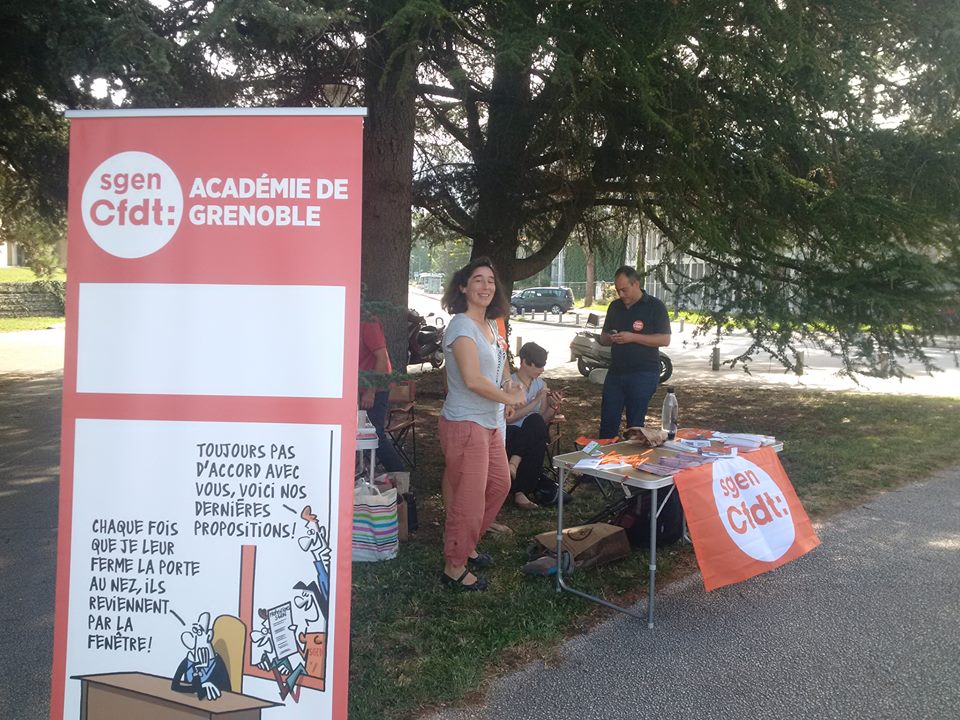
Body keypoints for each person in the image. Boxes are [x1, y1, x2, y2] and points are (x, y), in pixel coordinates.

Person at [438, 257, 525, 591]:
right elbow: (473, 380)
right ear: (463, 287)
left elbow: (499, 366)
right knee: (469, 500)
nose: (486, 286)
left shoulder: (490, 325)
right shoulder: (461, 326)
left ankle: (467, 541)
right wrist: (510, 400)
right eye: (478, 280)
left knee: (499, 486)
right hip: (465, 423)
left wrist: (509, 385)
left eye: (490, 280)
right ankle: (454, 565)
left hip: (488, 423)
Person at [597, 265, 671, 439]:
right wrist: (610, 338)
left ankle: (631, 462)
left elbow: (665, 339)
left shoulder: (655, 306)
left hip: (643, 373)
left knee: (635, 426)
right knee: (608, 421)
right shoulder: (615, 307)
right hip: (616, 372)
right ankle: (604, 461)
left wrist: (633, 337)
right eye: (618, 291)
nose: (621, 295)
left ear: (636, 284)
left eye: (624, 290)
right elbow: (603, 337)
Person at [505, 342, 562, 509]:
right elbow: (508, 419)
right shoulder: (510, 383)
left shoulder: (541, 385)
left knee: (535, 423)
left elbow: (543, 419)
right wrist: (535, 401)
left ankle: (515, 465)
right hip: (510, 432)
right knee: (534, 433)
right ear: (524, 362)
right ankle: (520, 492)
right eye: (539, 365)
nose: (542, 369)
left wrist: (553, 406)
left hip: (530, 433)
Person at [358, 313, 405, 472]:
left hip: (374, 388)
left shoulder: (368, 321)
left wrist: (370, 391)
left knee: (375, 435)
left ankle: (401, 479)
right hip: (355, 389)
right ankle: (360, 473)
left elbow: (382, 357)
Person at [171, 611, 231, 700]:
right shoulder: (189, 660)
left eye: (199, 632)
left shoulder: (217, 664)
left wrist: (205, 686)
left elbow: (227, 695)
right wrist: (201, 686)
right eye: (194, 631)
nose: (194, 636)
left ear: (209, 636)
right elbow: (175, 686)